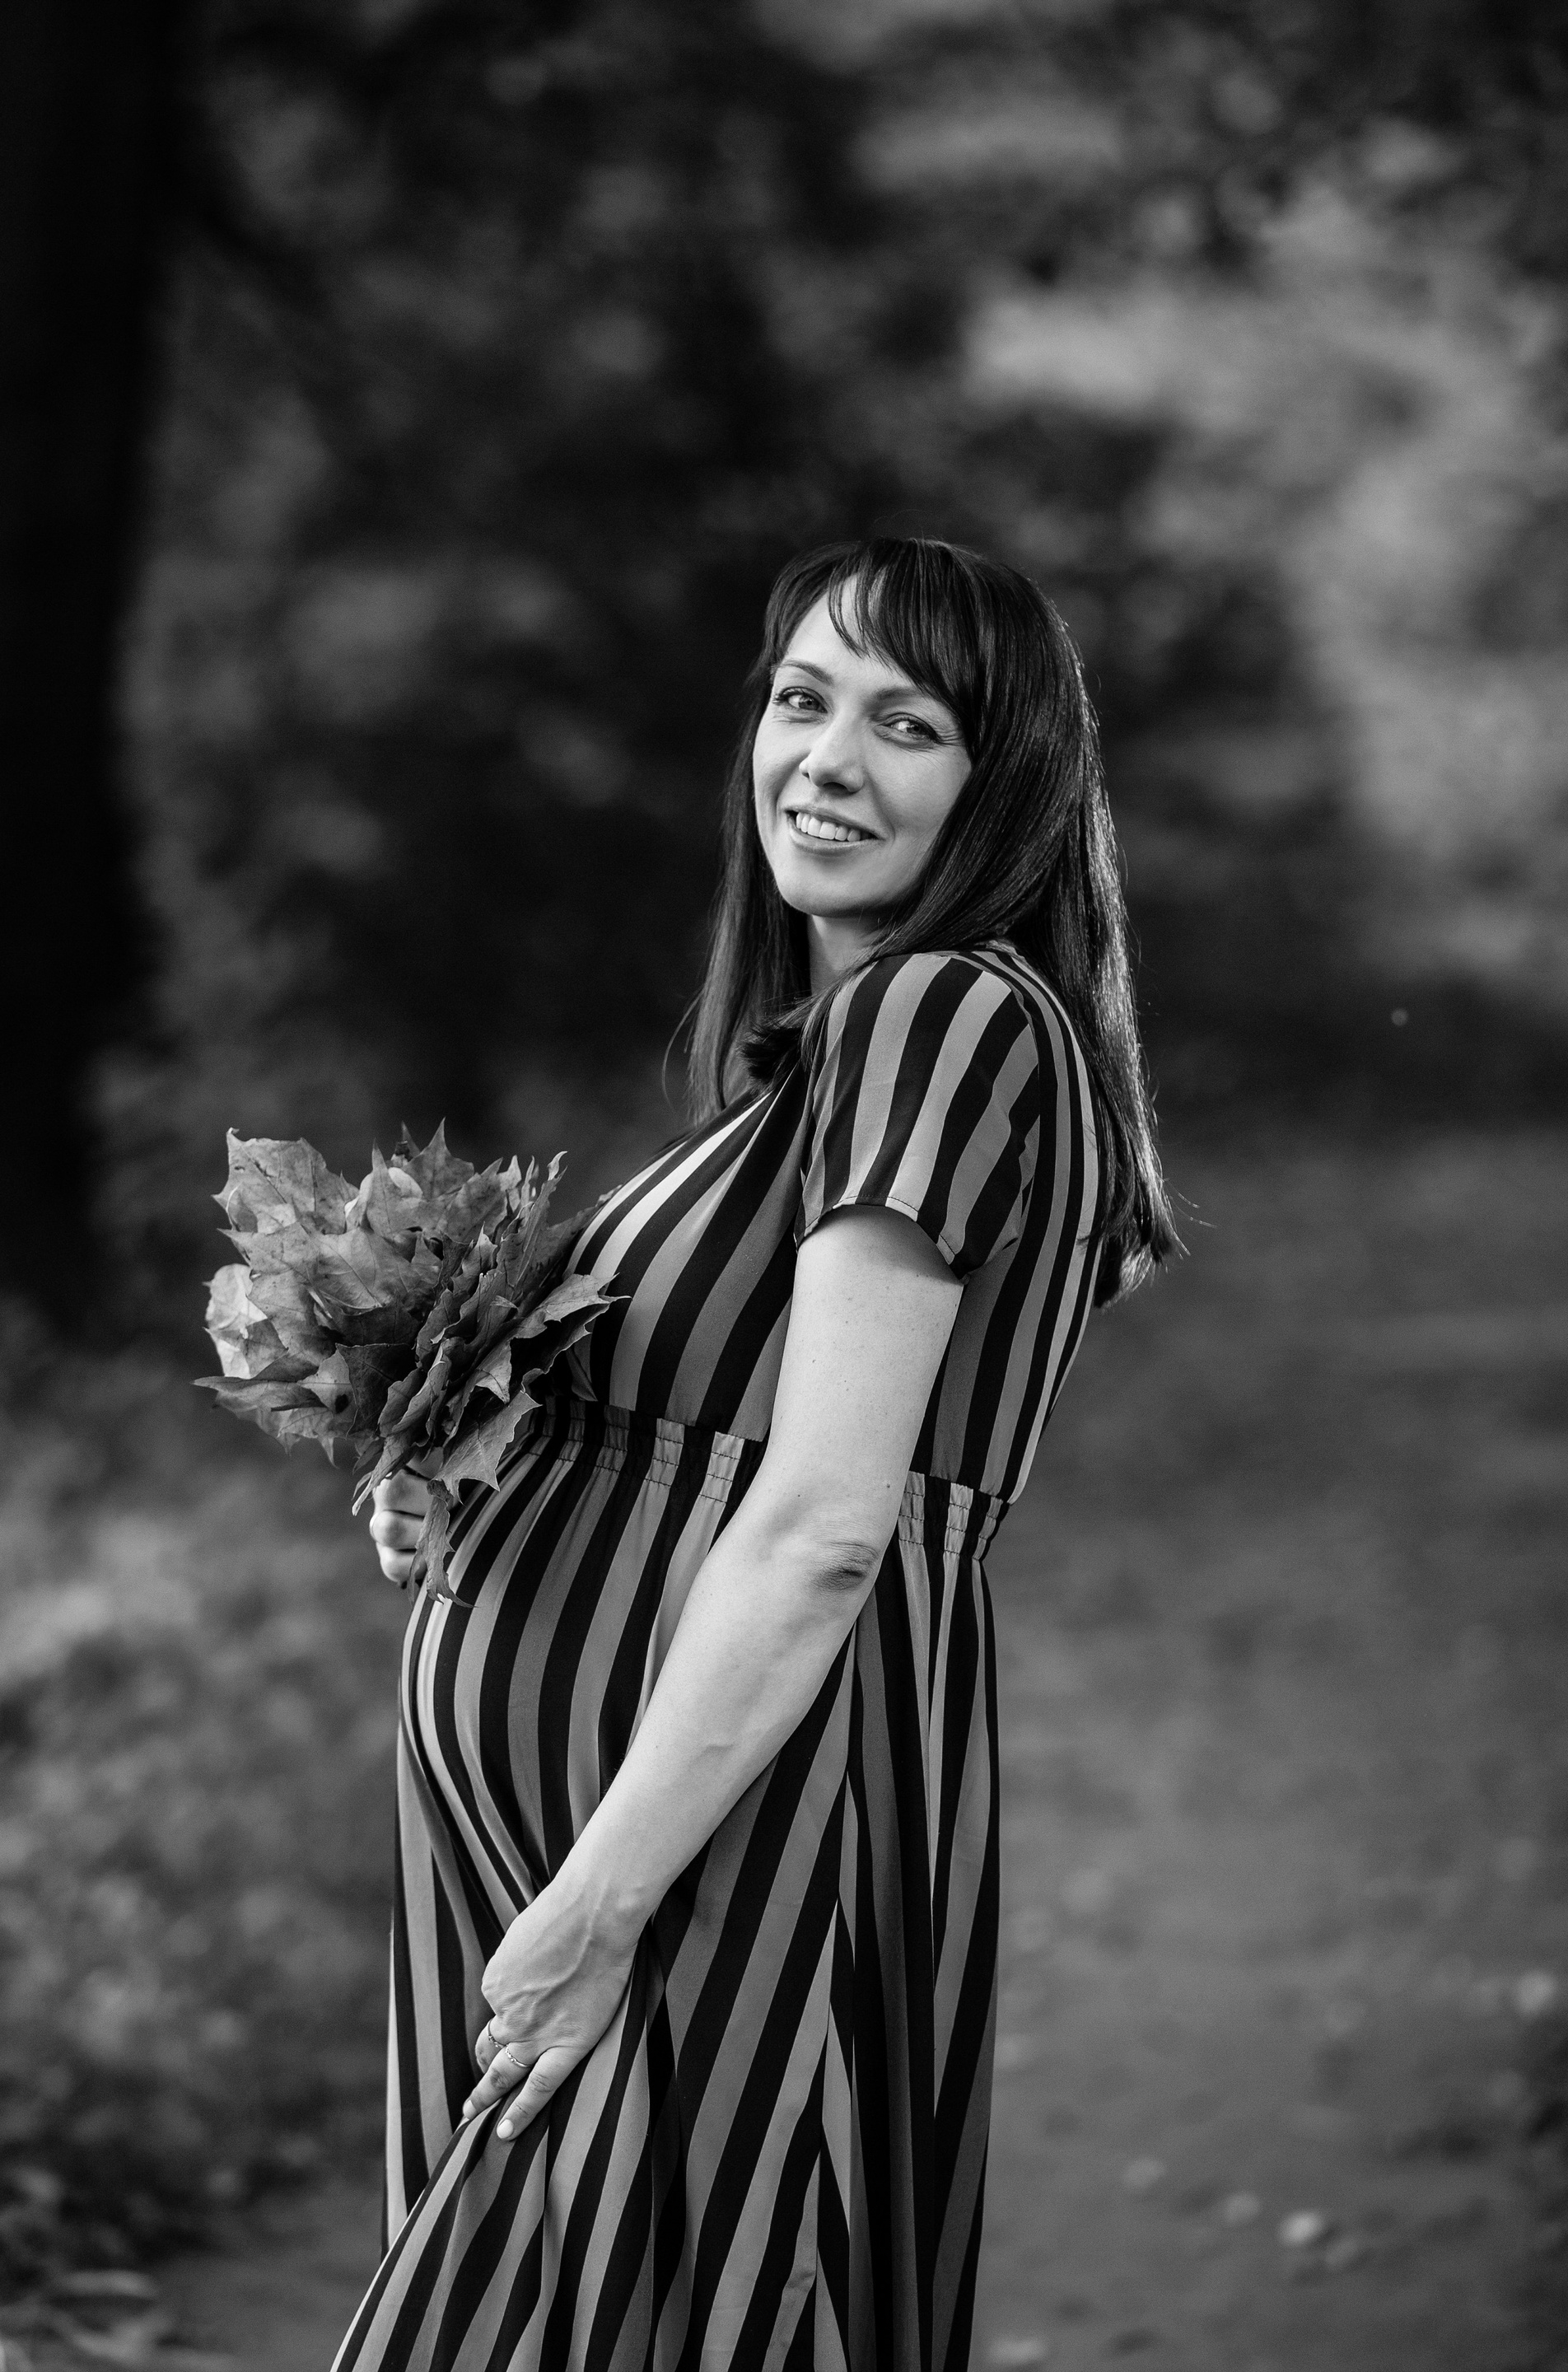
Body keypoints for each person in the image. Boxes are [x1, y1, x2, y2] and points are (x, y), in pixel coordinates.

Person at [334, 537, 1178, 2372]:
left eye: (908, 724)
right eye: (803, 701)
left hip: (720, 1837)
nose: (829, 759)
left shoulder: (944, 1016)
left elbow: (821, 1529)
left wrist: (600, 1903)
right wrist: (472, 1479)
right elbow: (697, 1435)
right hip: (621, 1827)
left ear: (1010, 782)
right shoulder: (830, 1057)